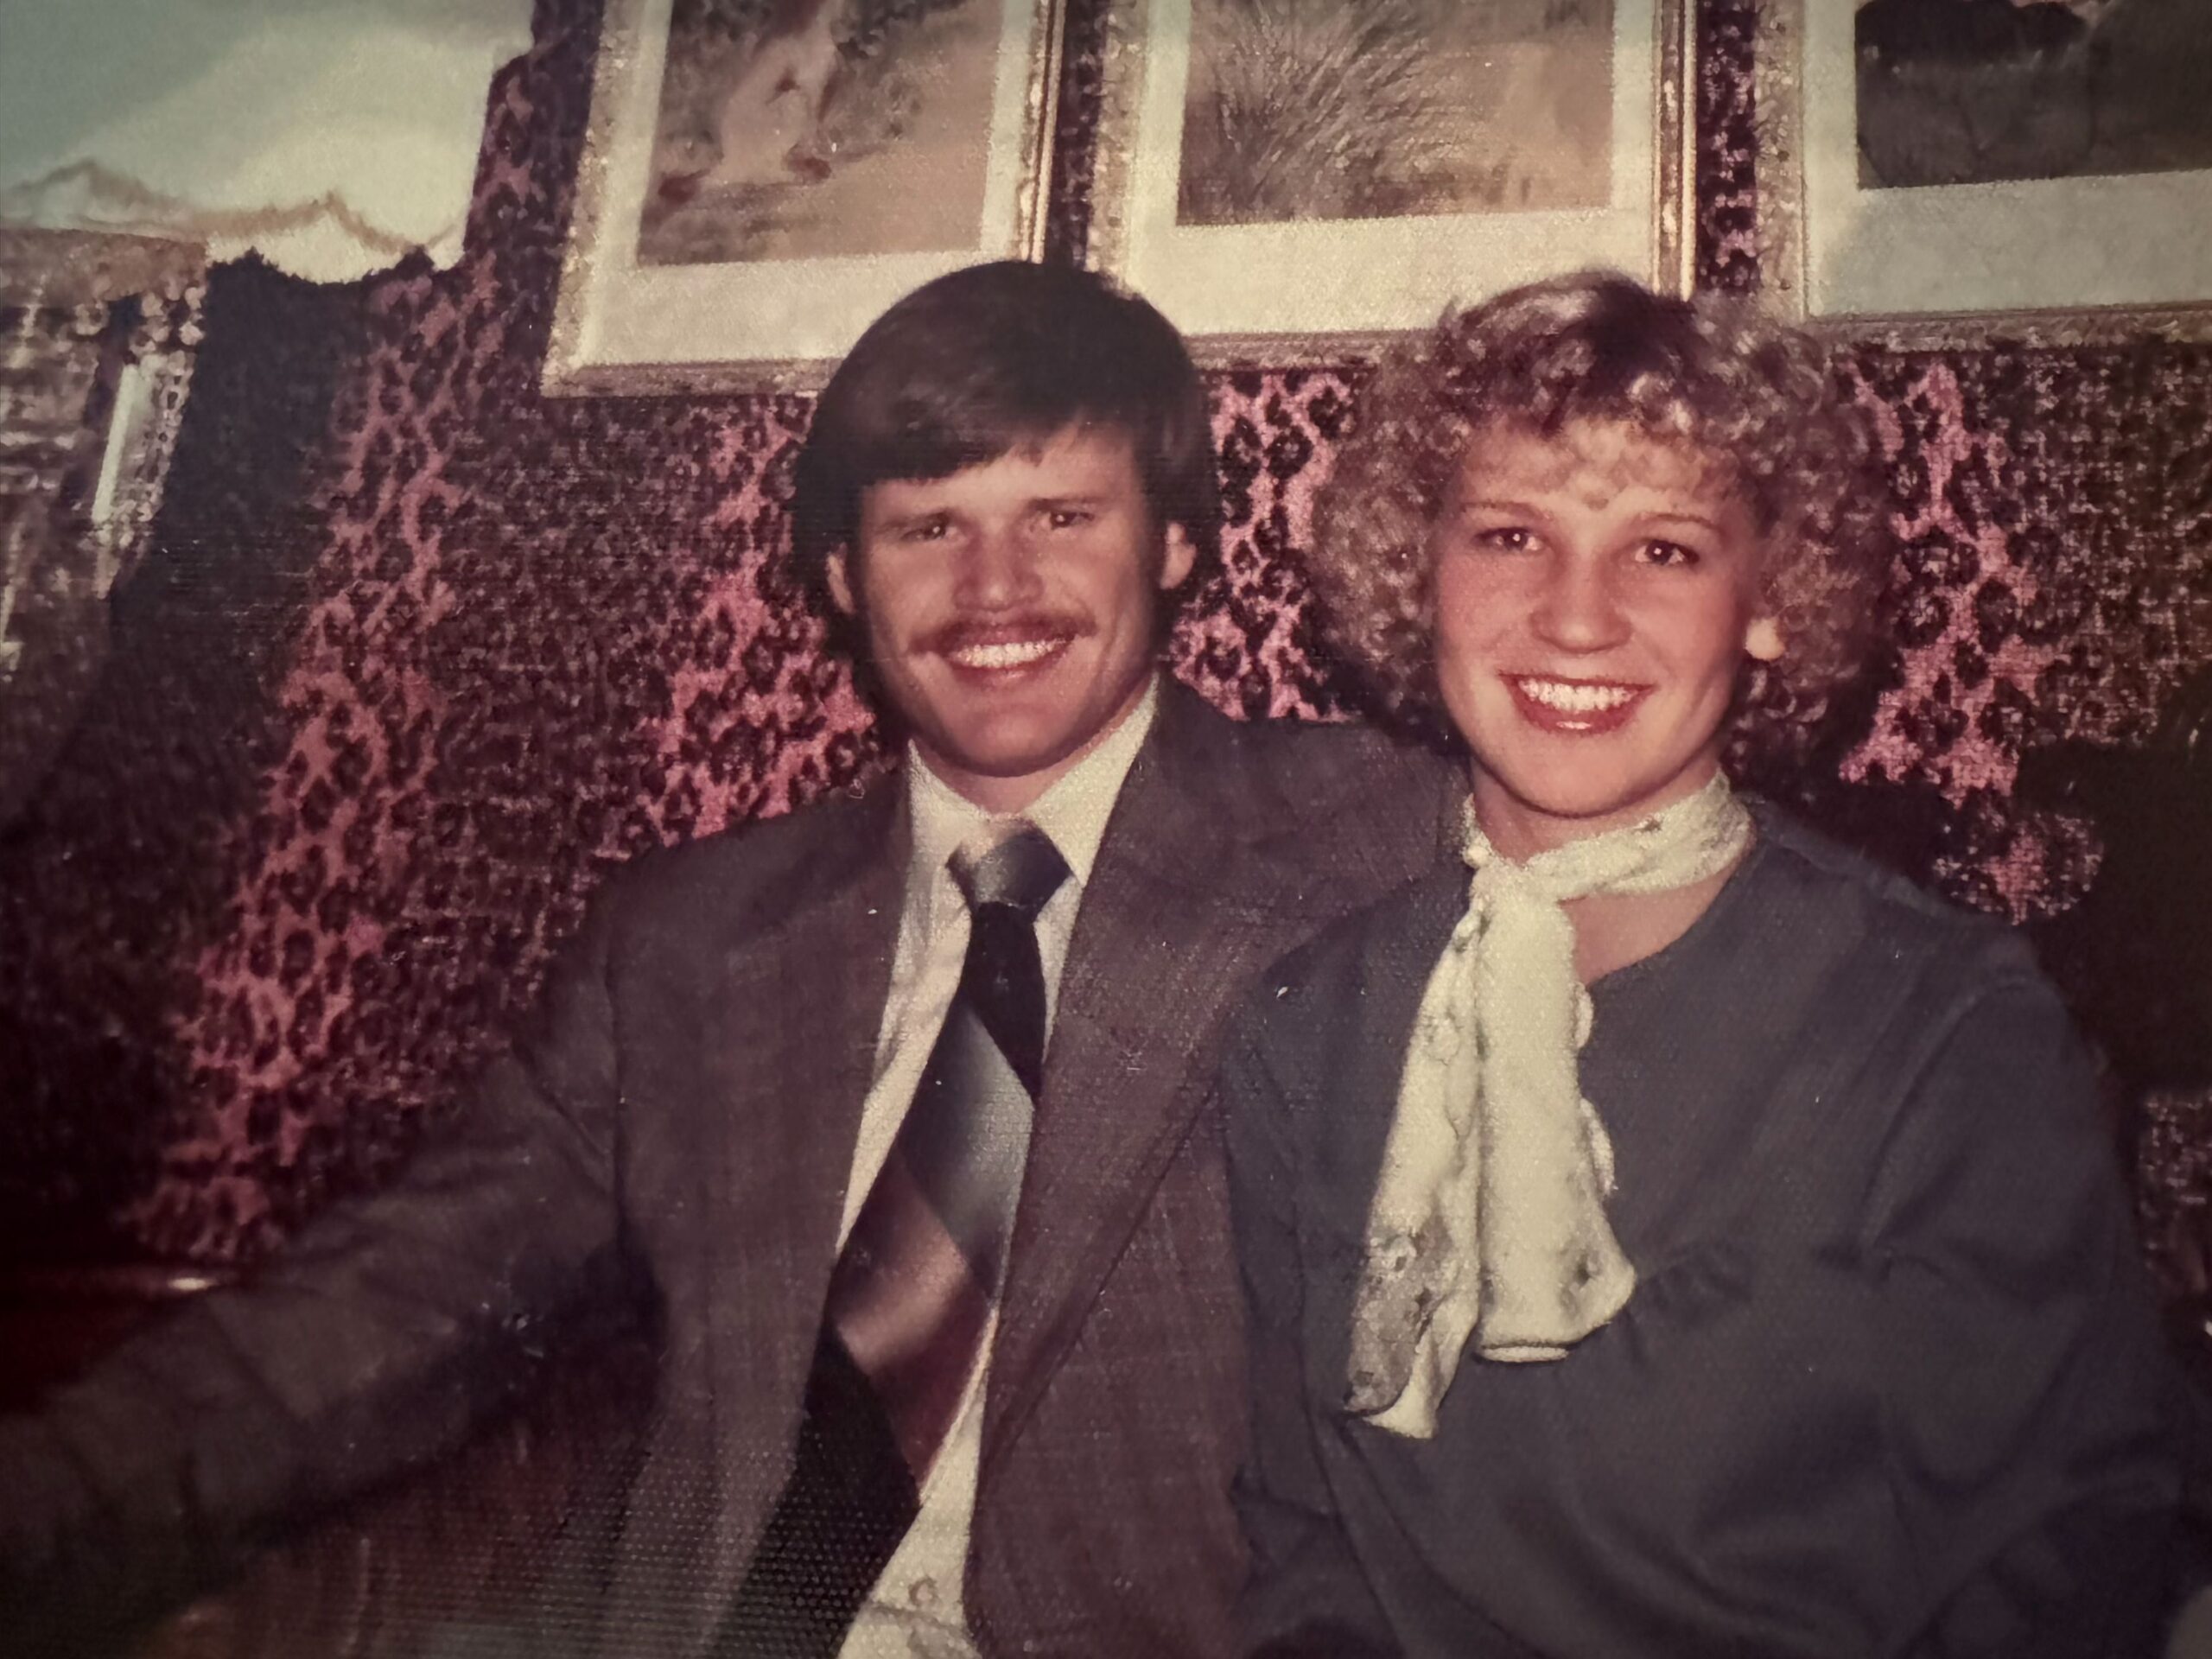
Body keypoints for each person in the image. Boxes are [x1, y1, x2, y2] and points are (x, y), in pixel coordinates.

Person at [0, 261, 1463, 1658]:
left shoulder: (1386, 842)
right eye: (927, 528)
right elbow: (388, 1304)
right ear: (842, 575)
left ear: (1177, 543)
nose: (995, 589)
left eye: (1062, 515)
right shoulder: (688, 941)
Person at [1220, 271, 2180, 1658]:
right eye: (1511, 536)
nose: (1577, 616)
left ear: (1768, 602)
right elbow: (1310, 1548)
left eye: (1663, 550)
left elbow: (2059, 1562)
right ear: (1420, 579)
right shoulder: (1305, 1026)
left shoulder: (1942, 1022)